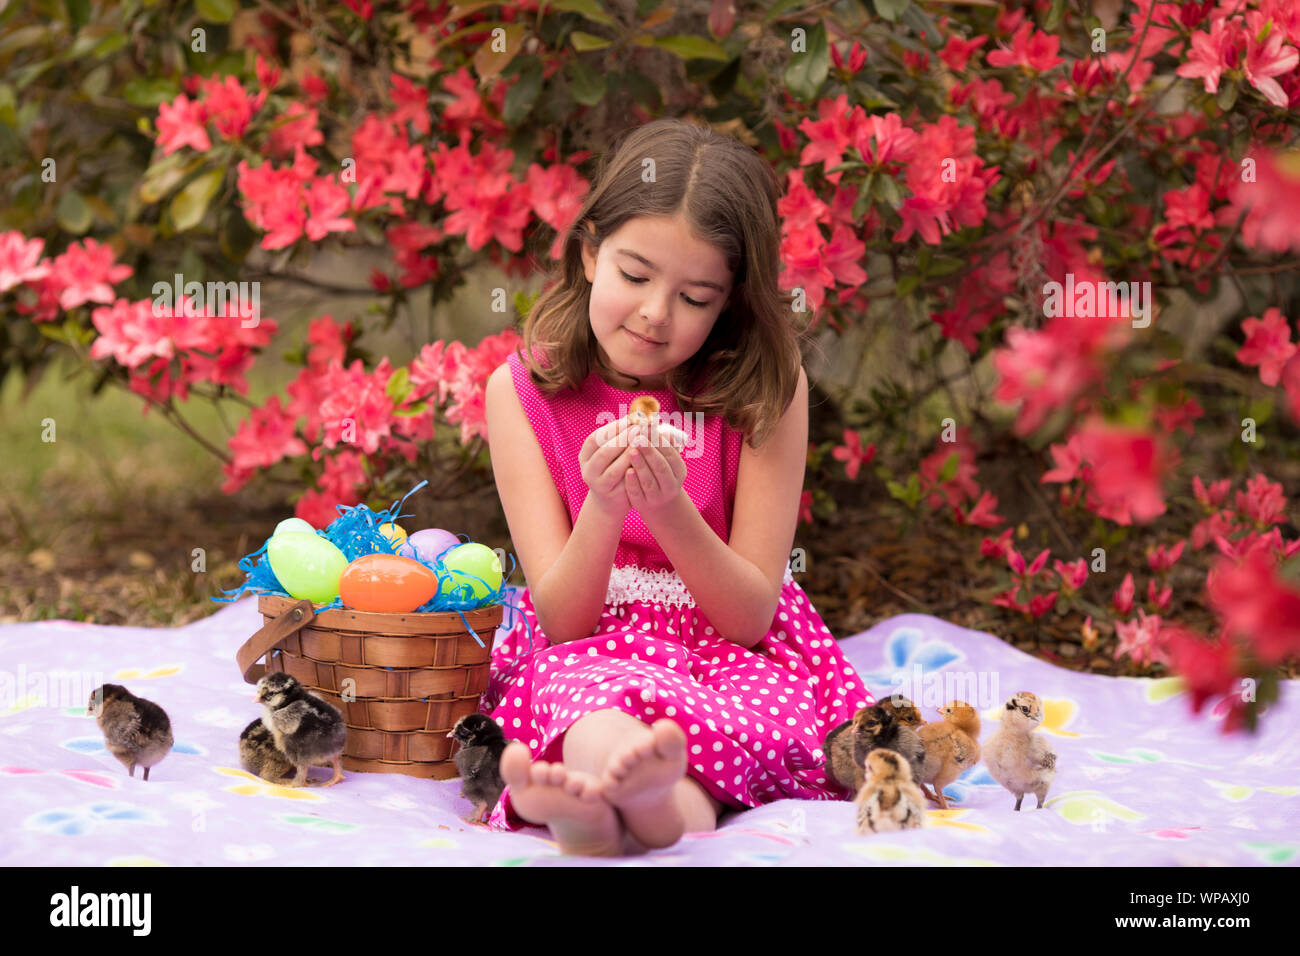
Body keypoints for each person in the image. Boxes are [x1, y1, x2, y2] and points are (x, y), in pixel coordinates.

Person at [480, 118, 873, 855]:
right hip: (590, 645)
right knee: (585, 706)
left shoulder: (766, 388)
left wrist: (669, 509)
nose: (656, 314)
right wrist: (605, 505)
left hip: (730, 656)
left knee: (734, 731)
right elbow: (564, 624)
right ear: (591, 250)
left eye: (696, 298)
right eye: (634, 276)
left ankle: (659, 808)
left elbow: (750, 617)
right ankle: (598, 802)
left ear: (731, 301)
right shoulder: (525, 392)